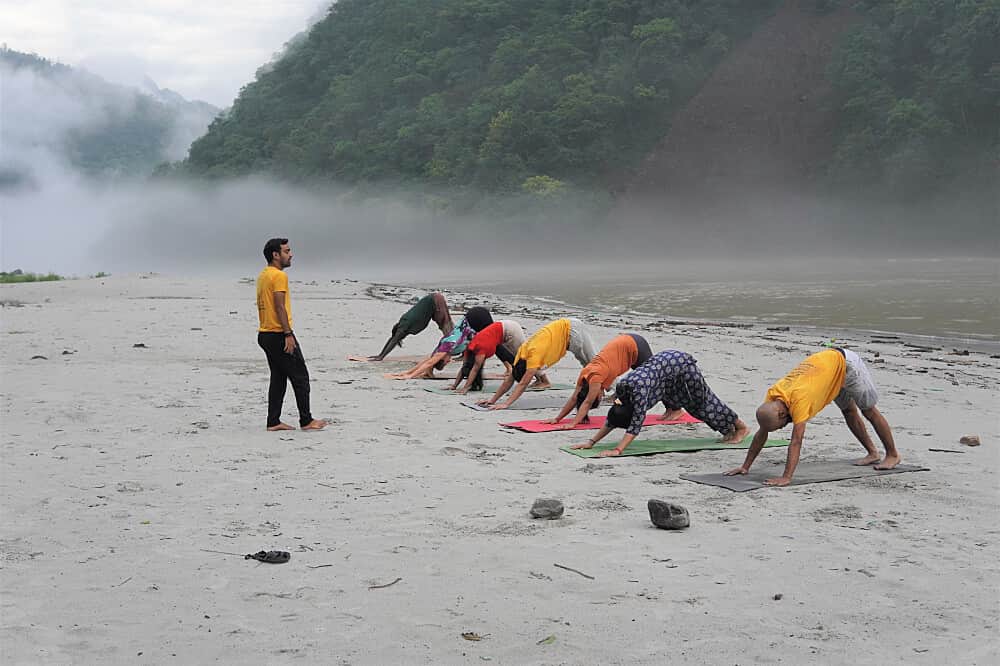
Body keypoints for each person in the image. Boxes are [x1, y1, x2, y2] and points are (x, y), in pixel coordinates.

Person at [724, 347, 901, 486]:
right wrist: (745, 466)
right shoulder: (773, 397)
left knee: (869, 410)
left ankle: (893, 454)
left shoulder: (800, 400)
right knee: (849, 411)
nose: (784, 426)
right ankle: (872, 453)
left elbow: (796, 441)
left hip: (847, 364)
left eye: (781, 425)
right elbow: (763, 431)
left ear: (782, 413)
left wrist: (786, 477)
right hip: (827, 371)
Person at [570, 350, 748, 456]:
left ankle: (740, 427)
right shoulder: (622, 393)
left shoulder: (638, 398)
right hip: (665, 376)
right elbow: (613, 420)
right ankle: (727, 430)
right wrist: (591, 442)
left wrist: (617, 450)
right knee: (693, 408)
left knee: (703, 402)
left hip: (680, 367)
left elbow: (634, 427)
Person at [256, 238, 327, 432]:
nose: (291, 254)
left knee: (278, 378)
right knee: (301, 376)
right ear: (275, 255)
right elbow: (279, 306)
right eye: (287, 251)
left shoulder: (263, 275)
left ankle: (273, 421)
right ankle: (306, 421)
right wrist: (288, 334)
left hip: (265, 334)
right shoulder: (278, 276)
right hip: (279, 334)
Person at [478, 317, 597, 410]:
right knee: (590, 366)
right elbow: (510, 379)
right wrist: (492, 400)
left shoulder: (533, 357)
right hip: (567, 329)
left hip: (572, 331)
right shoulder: (522, 353)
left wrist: (506, 404)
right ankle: (601, 390)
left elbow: (523, 384)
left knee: (595, 363)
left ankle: (613, 393)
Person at [544, 333, 653, 429]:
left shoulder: (596, 377)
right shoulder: (585, 373)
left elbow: (588, 402)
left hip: (635, 345)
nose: (602, 397)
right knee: (643, 381)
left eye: (599, 398)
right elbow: (574, 398)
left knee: (653, 379)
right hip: (625, 342)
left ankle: (670, 411)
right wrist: (557, 419)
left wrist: (573, 423)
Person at [385, 307, 493, 379]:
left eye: (446, 362)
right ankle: (508, 368)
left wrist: (409, 376)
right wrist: (407, 372)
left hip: (477, 317)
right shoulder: (443, 347)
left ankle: (509, 369)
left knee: (497, 342)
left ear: (441, 358)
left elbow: (429, 362)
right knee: (495, 341)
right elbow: (428, 361)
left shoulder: (446, 346)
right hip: (471, 318)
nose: (449, 361)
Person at [368, 293, 454, 360]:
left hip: (435, 300)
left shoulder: (404, 326)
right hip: (434, 299)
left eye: (400, 337)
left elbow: (394, 339)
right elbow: (393, 338)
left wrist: (381, 356)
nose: (401, 338)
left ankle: (457, 349)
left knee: (446, 325)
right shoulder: (403, 324)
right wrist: (380, 355)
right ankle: (455, 348)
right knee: (446, 326)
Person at [449, 320, 526, 394]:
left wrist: (465, 388)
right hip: (501, 327)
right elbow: (464, 367)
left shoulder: (481, 350)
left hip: (510, 329)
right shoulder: (469, 350)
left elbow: (475, 369)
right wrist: (454, 386)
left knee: (524, 356)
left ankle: (536, 379)